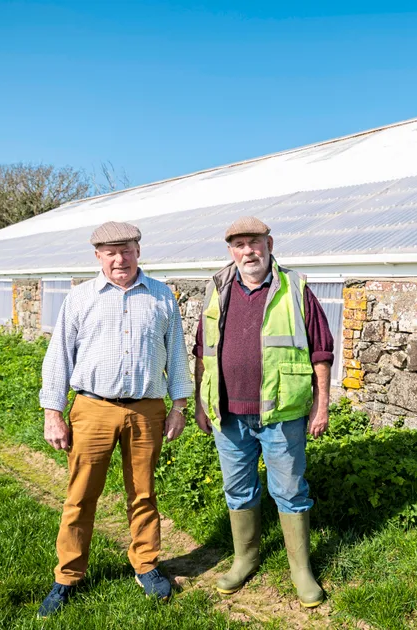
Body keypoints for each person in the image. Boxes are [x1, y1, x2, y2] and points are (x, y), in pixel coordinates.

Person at [36, 221, 192, 616]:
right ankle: (67, 576)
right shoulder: (80, 297)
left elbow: (176, 353)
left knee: (142, 492)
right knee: (80, 495)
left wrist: (179, 406)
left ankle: (147, 565)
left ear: (139, 251)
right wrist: (53, 413)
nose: (119, 259)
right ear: (98, 257)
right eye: (110, 252)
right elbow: (59, 357)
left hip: (146, 409)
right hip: (92, 408)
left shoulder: (161, 297)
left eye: (126, 250)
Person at [193, 216, 334, 608]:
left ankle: (300, 571)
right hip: (228, 414)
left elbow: (322, 353)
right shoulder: (218, 287)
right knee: (238, 489)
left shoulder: (295, 287)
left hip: (281, 413)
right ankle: (246, 558)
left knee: (289, 491)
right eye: (239, 244)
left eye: (254, 242)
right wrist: (201, 401)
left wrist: (321, 406)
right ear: (231, 251)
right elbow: (202, 349)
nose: (248, 251)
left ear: (269, 243)